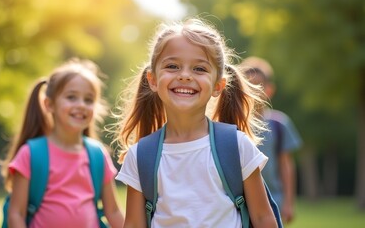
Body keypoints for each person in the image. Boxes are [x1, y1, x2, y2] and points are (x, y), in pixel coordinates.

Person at [110, 18, 278, 227]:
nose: (185, 76)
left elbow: (263, 218)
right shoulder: (140, 156)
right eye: (172, 66)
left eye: (199, 69)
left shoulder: (236, 146)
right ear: (153, 80)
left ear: (218, 85)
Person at [0, 58, 124, 228]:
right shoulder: (31, 153)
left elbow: (113, 212)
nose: (81, 105)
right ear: (49, 104)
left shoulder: (97, 154)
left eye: (88, 100)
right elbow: (16, 214)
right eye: (71, 97)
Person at [241, 56, 302, 224]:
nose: (254, 90)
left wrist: (288, 202)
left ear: (270, 89)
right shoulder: (232, 124)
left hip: (273, 200)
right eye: (248, 84)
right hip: (240, 202)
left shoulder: (279, 124)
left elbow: (286, 165)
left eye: (258, 85)